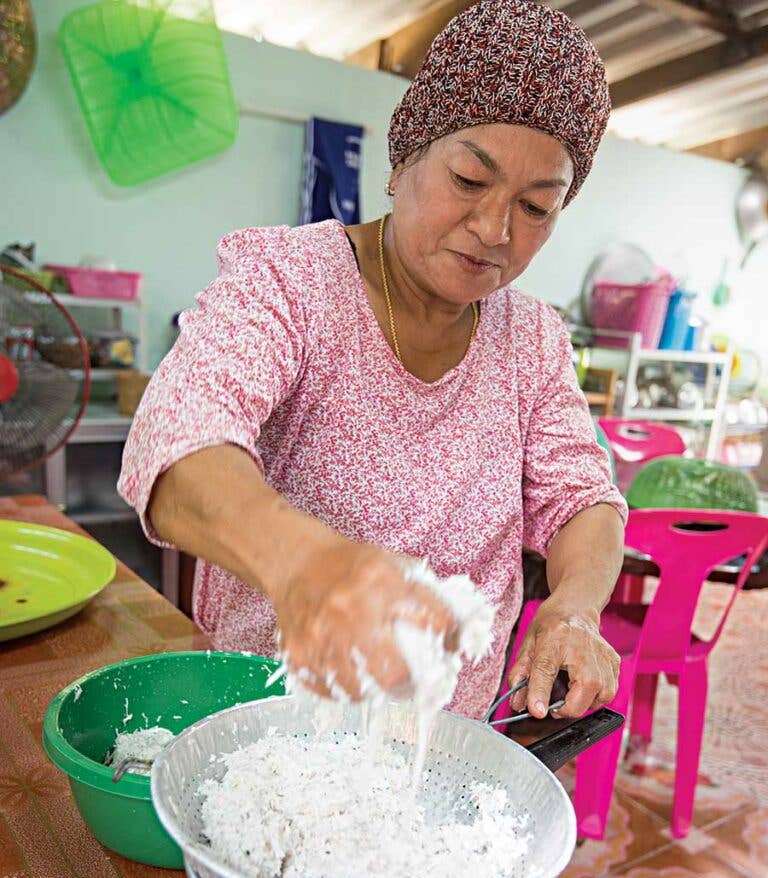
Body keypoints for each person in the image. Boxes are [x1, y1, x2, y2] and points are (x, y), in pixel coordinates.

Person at [119, 0, 627, 722]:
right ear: (405, 158)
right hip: (270, 716)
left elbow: (583, 498)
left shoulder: (533, 341)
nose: (493, 229)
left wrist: (574, 606)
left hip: (448, 736)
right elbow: (177, 445)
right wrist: (309, 566)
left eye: (536, 207)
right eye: (469, 181)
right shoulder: (291, 283)